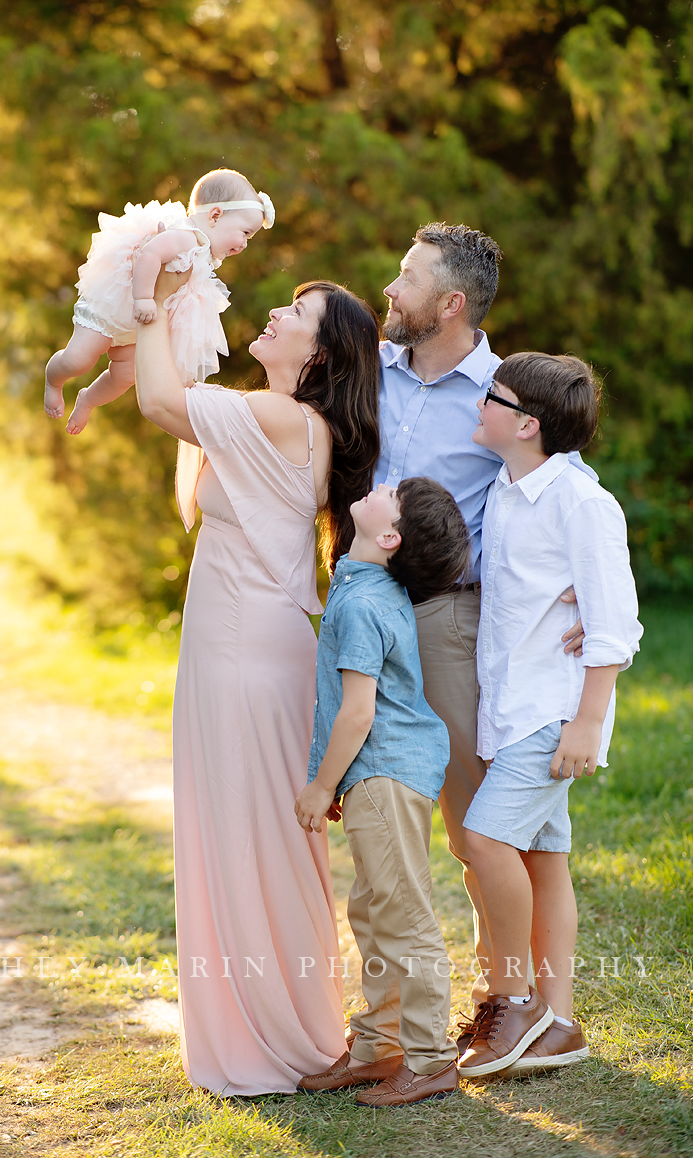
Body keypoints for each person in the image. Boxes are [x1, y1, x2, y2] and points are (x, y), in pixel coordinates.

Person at [134, 265, 381, 1096]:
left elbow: (160, 402)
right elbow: (179, 411)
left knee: (244, 831)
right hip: (244, 643)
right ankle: (282, 1016)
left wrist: (147, 296)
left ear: (323, 355)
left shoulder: (278, 415)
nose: (275, 311)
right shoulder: (283, 420)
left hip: (242, 650)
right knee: (257, 832)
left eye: (298, 312)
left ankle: (266, 1032)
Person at [375, 223, 591, 1032]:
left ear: (452, 303)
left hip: (449, 623)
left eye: (408, 277)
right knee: (381, 819)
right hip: (362, 612)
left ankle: (505, 1000)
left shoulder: (505, 394)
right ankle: (444, 1004)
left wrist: (578, 591)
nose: (390, 289)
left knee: (477, 831)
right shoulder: (371, 371)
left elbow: (567, 490)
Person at [457, 353, 642, 1078]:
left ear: (527, 424)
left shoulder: (583, 504)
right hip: (510, 707)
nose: (480, 403)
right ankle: (560, 1023)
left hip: (552, 712)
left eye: (491, 397)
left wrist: (588, 722)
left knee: (482, 841)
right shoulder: (508, 489)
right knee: (543, 856)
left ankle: (517, 1000)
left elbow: (615, 624)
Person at [294, 478, 471, 1106]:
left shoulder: (363, 603)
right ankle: (379, 1045)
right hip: (380, 771)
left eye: (391, 493)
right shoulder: (362, 585)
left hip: (384, 768)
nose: (381, 484)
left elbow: (357, 713)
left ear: (388, 536)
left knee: (404, 915)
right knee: (374, 910)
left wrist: (320, 785)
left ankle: (429, 1058)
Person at [44, 168, 273, 433]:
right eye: (245, 233)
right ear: (215, 215)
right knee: (78, 360)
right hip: (113, 309)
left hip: (136, 326)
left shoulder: (203, 256)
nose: (245, 244)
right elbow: (149, 254)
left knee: (126, 376)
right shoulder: (186, 237)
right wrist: (142, 298)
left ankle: (87, 400)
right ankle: (54, 381)